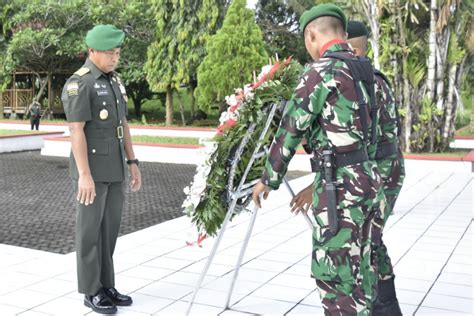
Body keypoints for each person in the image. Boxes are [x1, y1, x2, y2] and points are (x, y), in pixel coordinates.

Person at [252, 4, 384, 315]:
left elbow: (290, 130)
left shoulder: (319, 72)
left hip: (340, 191)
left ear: (312, 35)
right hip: (367, 179)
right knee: (362, 269)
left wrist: (267, 179)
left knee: (337, 280)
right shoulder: (365, 69)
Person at [62, 24, 142, 315]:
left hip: (115, 168)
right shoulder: (80, 83)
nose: (115, 58)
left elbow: (123, 126)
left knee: (109, 232)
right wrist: (84, 174)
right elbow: (76, 130)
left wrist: (133, 163)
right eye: (110, 53)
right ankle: (91, 291)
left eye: (118, 53)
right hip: (92, 173)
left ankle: (106, 285)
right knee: (89, 233)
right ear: (92, 51)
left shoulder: (113, 81)